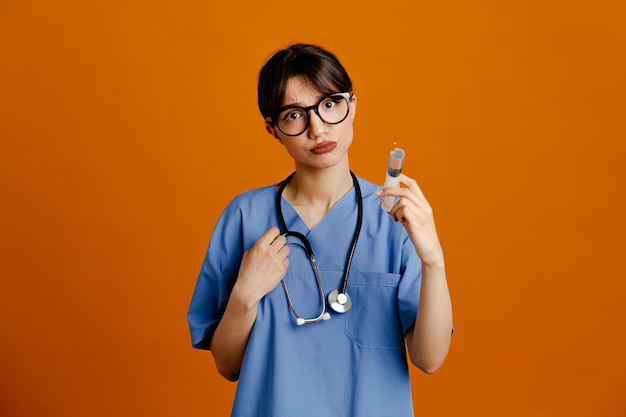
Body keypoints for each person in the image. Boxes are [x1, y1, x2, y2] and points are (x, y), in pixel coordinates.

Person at [187, 43, 453, 417]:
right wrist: (245, 295)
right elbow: (228, 366)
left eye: (329, 104)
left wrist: (433, 261)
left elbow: (430, 359)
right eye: (294, 114)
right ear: (273, 131)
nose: (318, 128)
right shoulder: (246, 217)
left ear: (352, 106)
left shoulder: (394, 217)